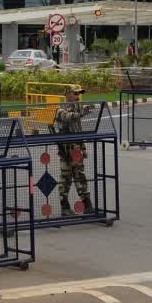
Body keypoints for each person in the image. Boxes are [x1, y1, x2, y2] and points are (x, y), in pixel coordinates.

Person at [52, 87, 93, 216]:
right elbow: (67, 117)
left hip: (76, 149)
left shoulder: (77, 108)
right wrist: (81, 113)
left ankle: (87, 205)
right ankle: (65, 207)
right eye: (75, 94)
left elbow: (78, 130)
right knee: (66, 177)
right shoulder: (60, 109)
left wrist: (83, 148)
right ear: (68, 94)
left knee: (79, 175)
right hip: (66, 150)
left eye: (79, 94)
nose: (78, 96)